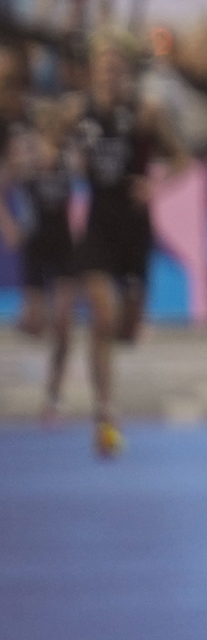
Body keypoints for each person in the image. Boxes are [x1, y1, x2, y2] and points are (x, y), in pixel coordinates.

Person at [70, 43, 181, 460]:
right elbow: (46, 140)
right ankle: (105, 412)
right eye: (103, 69)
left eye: (116, 69)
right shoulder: (78, 113)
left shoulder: (146, 113)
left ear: (126, 75)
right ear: (93, 74)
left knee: (127, 330)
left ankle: (109, 350)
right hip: (99, 225)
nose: (110, 77)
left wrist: (156, 183)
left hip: (134, 229)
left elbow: (183, 159)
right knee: (102, 315)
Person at [6, 98, 79, 424]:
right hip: (35, 244)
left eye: (56, 127)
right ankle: (24, 322)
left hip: (62, 243)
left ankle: (53, 395)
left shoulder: (70, 156)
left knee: (63, 325)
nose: (51, 132)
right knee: (36, 324)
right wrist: (8, 226)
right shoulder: (25, 156)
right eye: (45, 126)